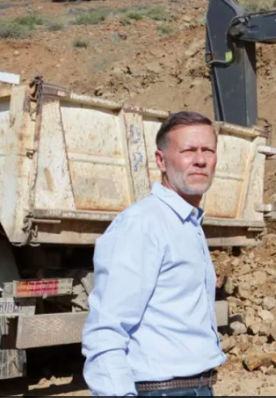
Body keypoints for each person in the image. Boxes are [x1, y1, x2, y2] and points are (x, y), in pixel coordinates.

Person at [82, 111, 224, 397]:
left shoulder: (186, 224)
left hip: (196, 388)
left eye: (207, 150)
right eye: (188, 150)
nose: (200, 160)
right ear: (161, 160)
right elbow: (106, 327)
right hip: (161, 391)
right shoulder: (143, 224)